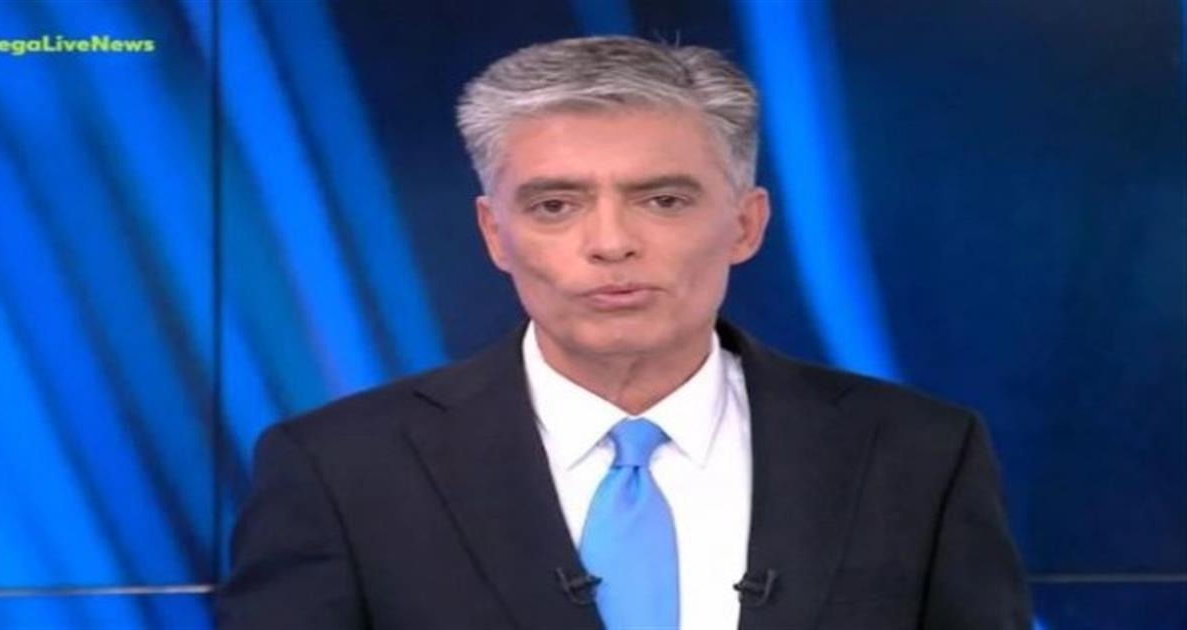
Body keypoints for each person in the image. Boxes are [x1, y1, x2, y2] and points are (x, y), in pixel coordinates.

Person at [215, 36, 1031, 629]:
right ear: (495, 234)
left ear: (746, 224)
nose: (610, 243)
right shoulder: (340, 468)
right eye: (555, 205)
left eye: (663, 200)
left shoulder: (917, 453)